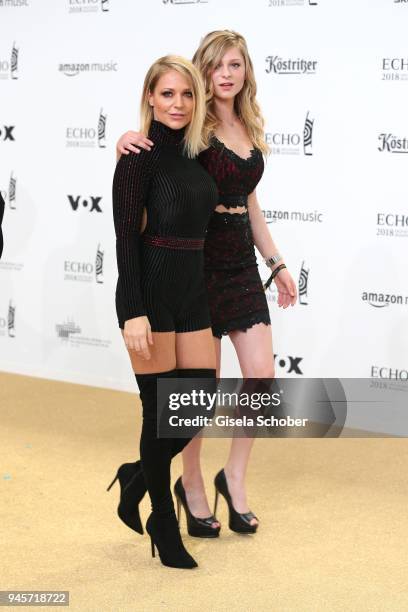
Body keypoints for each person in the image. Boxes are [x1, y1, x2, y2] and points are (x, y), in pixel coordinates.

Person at [116, 31, 297, 537]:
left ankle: (233, 475)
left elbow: (249, 200)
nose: (225, 74)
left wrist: (276, 262)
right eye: (215, 65)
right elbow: (155, 164)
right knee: (197, 395)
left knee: (260, 377)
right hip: (194, 264)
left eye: (234, 64)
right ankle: (190, 485)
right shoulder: (192, 123)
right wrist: (123, 141)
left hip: (239, 262)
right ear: (203, 70)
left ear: (245, 71)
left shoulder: (248, 124)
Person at [109, 55, 219, 569]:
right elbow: (125, 239)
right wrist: (133, 310)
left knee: (198, 404)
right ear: (150, 97)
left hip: (193, 292)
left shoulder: (199, 154)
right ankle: (161, 519)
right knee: (160, 416)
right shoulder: (138, 156)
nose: (178, 104)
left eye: (187, 94)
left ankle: (137, 474)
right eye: (168, 94)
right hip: (149, 293)